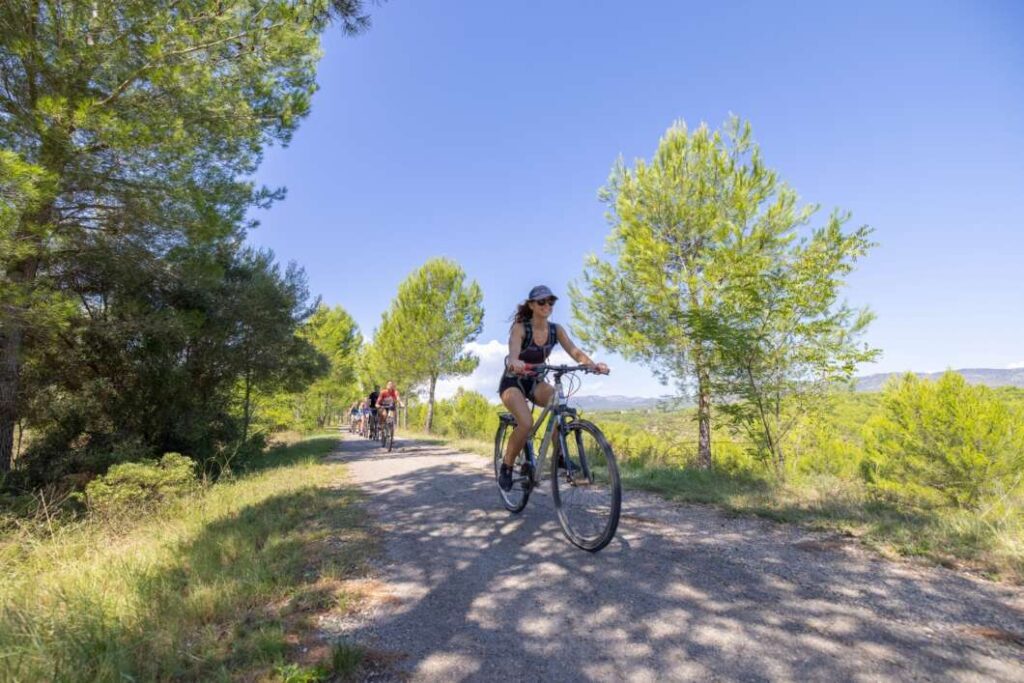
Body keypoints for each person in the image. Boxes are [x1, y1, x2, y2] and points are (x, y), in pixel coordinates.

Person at [497, 285, 608, 491]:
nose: (547, 305)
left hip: (535, 382)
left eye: (551, 302)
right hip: (513, 382)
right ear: (531, 305)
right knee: (526, 422)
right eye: (541, 302)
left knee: (557, 402)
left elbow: (575, 351)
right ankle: (506, 465)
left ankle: (559, 457)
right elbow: (513, 351)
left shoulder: (556, 330)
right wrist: (515, 361)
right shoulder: (521, 328)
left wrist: (592, 365)